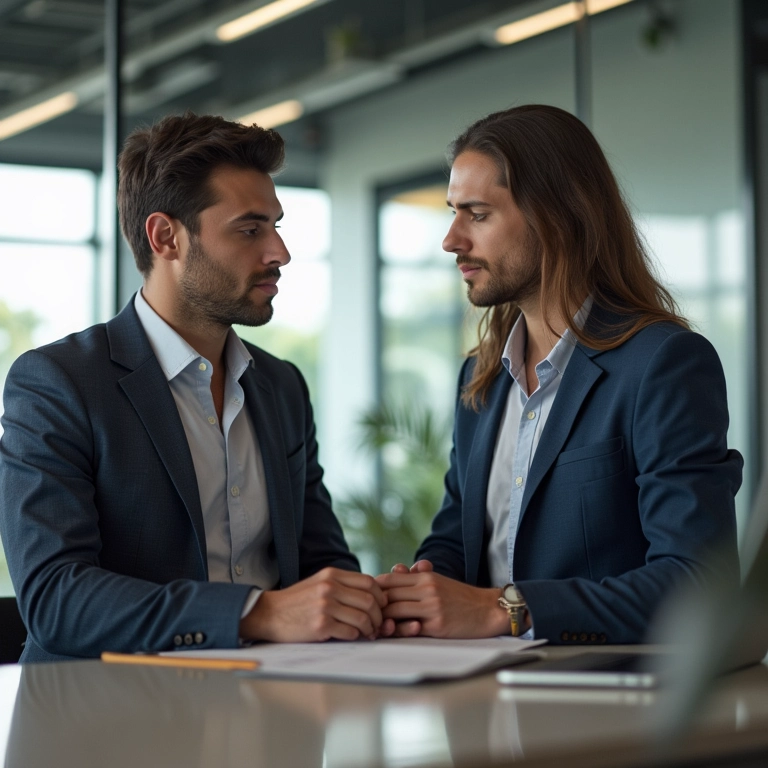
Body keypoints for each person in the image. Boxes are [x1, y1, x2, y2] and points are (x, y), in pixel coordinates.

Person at [0, 113, 387, 663]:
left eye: (277, 226)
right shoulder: (59, 384)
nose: (279, 252)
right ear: (166, 237)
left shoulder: (281, 385)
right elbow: (56, 599)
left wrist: (371, 600)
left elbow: (320, 561)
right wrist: (259, 613)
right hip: (110, 721)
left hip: (281, 704)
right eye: (250, 229)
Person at [378, 105, 743, 644]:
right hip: (479, 700)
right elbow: (458, 541)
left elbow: (698, 583)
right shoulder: (478, 379)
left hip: (606, 710)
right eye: (454, 212)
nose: (452, 240)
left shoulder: (663, 364)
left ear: (557, 216)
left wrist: (506, 609)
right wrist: (418, 590)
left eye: (477, 214)